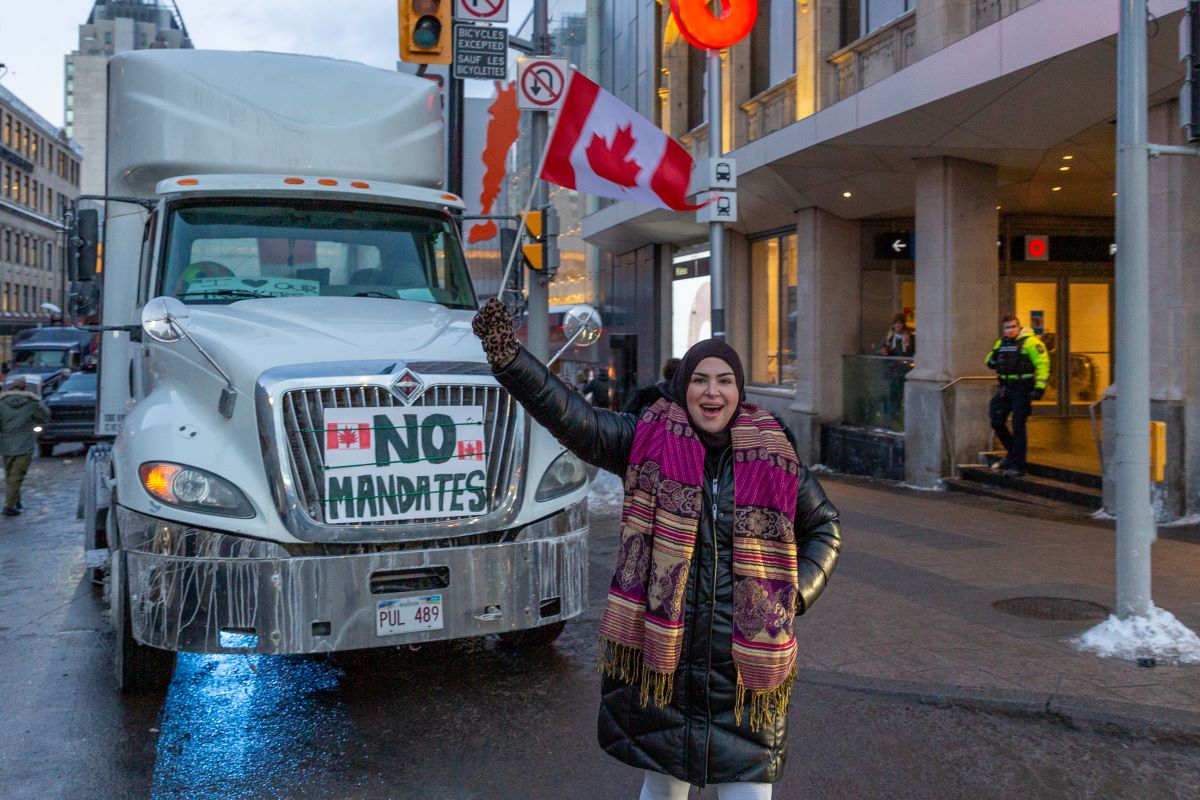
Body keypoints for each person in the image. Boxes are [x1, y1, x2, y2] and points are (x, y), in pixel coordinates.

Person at [471, 299, 842, 799]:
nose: (713, 392)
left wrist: (792, 594)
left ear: (739, 390)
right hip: (665, 668)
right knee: (665, 790)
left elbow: (825, 527)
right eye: (700, 380)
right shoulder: (645, 439)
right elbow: (572, 417)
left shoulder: (774, 454)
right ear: (683, 386)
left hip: (744, 678)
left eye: (725, 380)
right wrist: (512, 361)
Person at [985, 314, 1050, 477]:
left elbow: (1043, 364)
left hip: (1022, 388)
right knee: (996, 420)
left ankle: (1018, 464)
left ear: (1019, 326)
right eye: (1007, 327)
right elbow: (989, 360)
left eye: (1014, 326)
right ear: (1003, 329)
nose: (1011, 330)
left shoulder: (1031, 342)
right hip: (1005, 388)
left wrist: (1040, 387)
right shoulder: (1001, 343)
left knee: (1018, 424)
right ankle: (1012, 454)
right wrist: (993, 359)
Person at [0, 377, 50, 516]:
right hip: (24, 444)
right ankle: (9, 506)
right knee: (17, 476)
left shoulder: (1, 403)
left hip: (6, 445)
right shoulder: (32, 403)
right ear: (24, 388)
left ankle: (15, 500)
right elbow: (44, 416)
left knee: (11, 475)